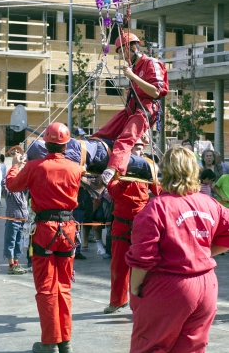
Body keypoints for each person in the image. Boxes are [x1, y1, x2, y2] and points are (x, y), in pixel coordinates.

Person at [125, 145, 229, 353]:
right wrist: (201, 253)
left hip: (169, 285)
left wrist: (135, 288)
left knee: (150, 345)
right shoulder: (209, 203)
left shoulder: (156, 207)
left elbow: (143, 256)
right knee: (191, 348)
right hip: (206, 285)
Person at [6, 122, 82, 353]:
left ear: (46, 143)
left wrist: (14, 167)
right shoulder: (75, 168)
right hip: (68, 230)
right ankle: (65, 341)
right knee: (64, 287)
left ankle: (50, 342)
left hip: (45, 231)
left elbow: (12, 185)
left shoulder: (35, 166)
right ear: (66, 144)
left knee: (46, 288)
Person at [81, 32, 168, 197]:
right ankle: (92, 171)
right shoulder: (134, 67)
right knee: (101, 134)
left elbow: (156, 92)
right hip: (131, 109)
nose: (121, 56)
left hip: (146, 108)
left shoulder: (151, 63)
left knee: (124, 140)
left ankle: (105, 179)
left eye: (122, 51)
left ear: (133, 47)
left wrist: (132, 76)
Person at [104, 139, 161, 314]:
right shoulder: (115, 169)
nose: (141, 152)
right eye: (137, 148)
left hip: (143, 224)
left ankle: (142, 301)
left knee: (144, 265)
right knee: (119, 265)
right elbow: (113, 192)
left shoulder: (149, 166)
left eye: (142, 148)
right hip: (122, 223)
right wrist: (129, 177)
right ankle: (117, 301)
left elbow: (158, 191)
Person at [2, 178, 28, 274]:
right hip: (12, 221)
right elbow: (4, 183)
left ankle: (16, 263)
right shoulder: (9, 193)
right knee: (10, 242)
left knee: (19, 243)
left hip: (22, 222)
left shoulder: (22, 192)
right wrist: (14, 168)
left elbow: (27, 183)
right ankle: (11, 265)